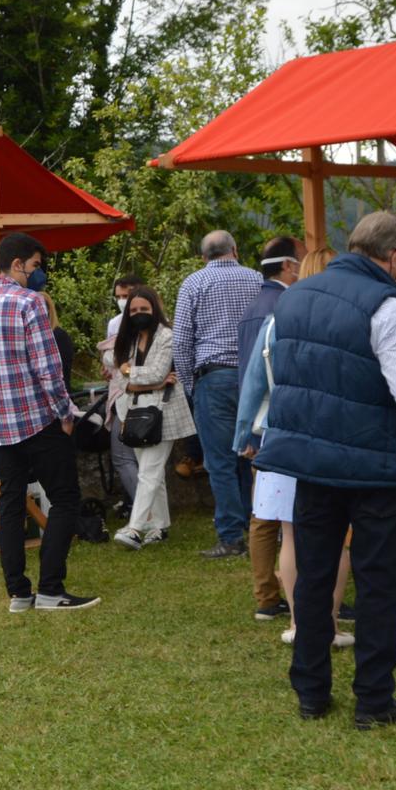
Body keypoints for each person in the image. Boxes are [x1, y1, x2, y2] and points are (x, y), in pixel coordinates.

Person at [259, 212, 396, 728]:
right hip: (373, 463)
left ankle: (311, 690)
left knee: (315, 576)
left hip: (311, 458)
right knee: (378, 582)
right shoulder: (387, 304)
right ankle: (373, 698)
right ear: (395, 257)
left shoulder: (295, 294)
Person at [0, 233, 99, 612]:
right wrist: (64, 412)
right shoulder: (29, 303)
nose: (39, 273)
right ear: (18, 264)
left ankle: (18, 593)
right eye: (37, 265)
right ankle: (51, 589)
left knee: (10, 504)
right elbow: (48, 366)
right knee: (65, 498)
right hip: (37, 419)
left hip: (0, 425)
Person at [234, 305, 354, 650]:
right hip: (329, 432)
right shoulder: (340, 320)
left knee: (289, 534)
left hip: (282, 430)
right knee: (336, 534)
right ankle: (328, 622)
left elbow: (255, 381)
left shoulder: (275, 324)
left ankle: (298, 622)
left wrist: (243, 434)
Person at [173, 230, 264, 562]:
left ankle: (231, 537)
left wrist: (189, 383)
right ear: (235, 250)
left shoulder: (194, 283)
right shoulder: (257, 279)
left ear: (203, 256)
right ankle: (264, 526)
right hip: (256, 375)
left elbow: (182, 340)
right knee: (254, 453)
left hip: (214, 376)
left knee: (220, 461)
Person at [239, 237, 303, 620]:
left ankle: (266, 594)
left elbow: (245, 377)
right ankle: (294, 590)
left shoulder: (252, 307)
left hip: (257, 421)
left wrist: (245, 430)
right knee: (291, 517)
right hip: (281, 422)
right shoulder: (285, 308)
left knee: (263, 513)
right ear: (289, 266)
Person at [110, 285, 196, 551]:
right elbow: (122, 378)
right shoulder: (132, 339)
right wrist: (138, 380)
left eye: (143, 309)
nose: (137, 313)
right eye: (133, 310)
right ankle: (159, 525)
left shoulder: (167, 336)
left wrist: (129, 372)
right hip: (135, 412)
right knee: (152, 473)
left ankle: (135, 528)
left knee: (148, 471)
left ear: (154, 309)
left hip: (163, 411)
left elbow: (158, 373)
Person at [100, 274, 145, 515]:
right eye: (118, 296)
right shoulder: (115, 323)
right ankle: (138, 507)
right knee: (131, 458)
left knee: (125, 456)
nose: (121, 301)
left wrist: (118, 365)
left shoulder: (154, 325)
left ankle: (144, 511)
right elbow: (112, 364)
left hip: (136, 393)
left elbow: (123, 362)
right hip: (121, 391)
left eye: (126, 296)